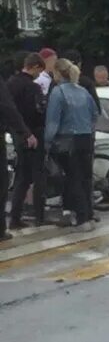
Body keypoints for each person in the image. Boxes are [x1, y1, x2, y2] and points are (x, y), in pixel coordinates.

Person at [45, 59, 99, 231]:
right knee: (85, 177)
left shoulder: (58, 92)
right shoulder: (83, 91)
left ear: (57, 73)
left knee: (73, 178)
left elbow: (53, 121)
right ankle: (88, 214)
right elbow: (95, 114)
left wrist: (47, 142)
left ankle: (81, 218)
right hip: (86, 138)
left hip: (67, 140)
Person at [7, 53, 48, 230]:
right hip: (33, 135)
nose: (40, 75)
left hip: (17, 134)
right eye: (40, 71)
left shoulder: (10, 83)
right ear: (36, 67)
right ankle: (40, 215)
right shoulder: (33, 87)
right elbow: (38, 112)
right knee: (38, 175)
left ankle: (15, 217)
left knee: (22, 177)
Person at [2, 59, 39, 240]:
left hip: (11, 134)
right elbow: (8, 108)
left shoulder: (11, 82)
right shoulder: (30, 86)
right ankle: (4, 225)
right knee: (9, 180)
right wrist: (26, 132)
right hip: (21, 134)